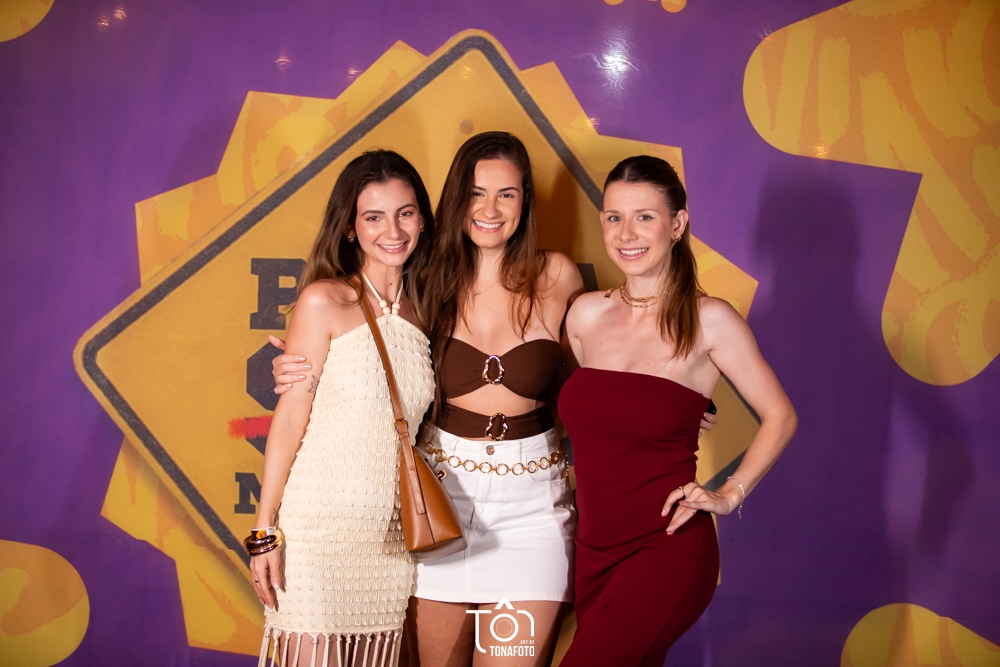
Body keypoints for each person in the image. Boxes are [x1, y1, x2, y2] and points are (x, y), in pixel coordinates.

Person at [273, 132, 583, 666]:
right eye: (476, 193)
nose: (490, 209)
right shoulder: (428, 283)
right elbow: (364, 350)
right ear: (455, 199)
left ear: (525, 200)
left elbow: (599, 362)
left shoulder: (556, 276)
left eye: (507, 194)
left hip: (531, 511)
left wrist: (673, 396)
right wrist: (298, 365)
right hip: (439, 510)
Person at [557, 155, 797, 666]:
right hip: (594, 548)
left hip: (666, 545)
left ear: (677, 224)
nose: (626, 233)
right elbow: (607, 409)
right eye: (614, 216)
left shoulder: (711, 320)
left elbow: (781, 416)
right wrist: (673, 407)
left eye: (645, 216)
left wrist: (729, 494)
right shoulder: (584, 314)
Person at [248, 149, 436, 667]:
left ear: (422, 219)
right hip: (316, 531)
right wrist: (265, 531)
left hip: (390, 538)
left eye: (405, 212)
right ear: (350, 228)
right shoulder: (324, 301)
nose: (392, 230)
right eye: (373, 217)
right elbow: (290, 419)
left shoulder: (429, 311)